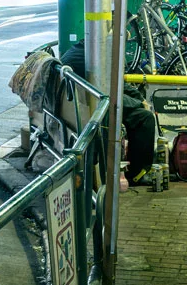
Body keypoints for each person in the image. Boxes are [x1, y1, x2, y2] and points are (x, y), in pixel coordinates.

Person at [61, 39, 157, 185]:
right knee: (144, 118)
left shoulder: (83, 50)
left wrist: (139, 99)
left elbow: (117, 83)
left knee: (141, 114)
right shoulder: (94, 57)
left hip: (86, 104)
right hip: (93, 107)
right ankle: (137, 174)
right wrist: (139, 103)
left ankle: (134, 172)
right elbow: (110, 91)